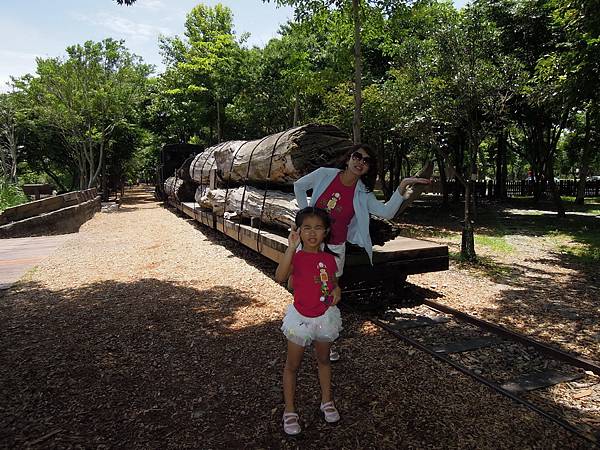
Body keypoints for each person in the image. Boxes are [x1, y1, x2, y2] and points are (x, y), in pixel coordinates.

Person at [293, 144, 430, 359]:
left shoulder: (362, 193)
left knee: (329, 293)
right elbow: (299, 186)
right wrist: (305, 216)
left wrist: (402, 187)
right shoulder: (325, 175)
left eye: (366, 161)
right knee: (304, 288)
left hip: (336, 247)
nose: (360, 162)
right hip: (310, 244)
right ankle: (300, 333)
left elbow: (387, 212)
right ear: (348, 158)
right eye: (357, 157)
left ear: (368, 169)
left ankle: (324, 340)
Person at [275, 207, 343, 436]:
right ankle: (290, 410)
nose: (312, 233)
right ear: (299, 231)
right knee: (292, 365)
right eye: (306, 227)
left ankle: (326, 401)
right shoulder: (295, 256)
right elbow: (280, 276)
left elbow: (332, 282)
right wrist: (291, 247)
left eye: (318, 228)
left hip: (325, 318)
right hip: (300, 319)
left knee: (324, 360)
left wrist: (337, 290)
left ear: (326, 232)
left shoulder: (330, 259)